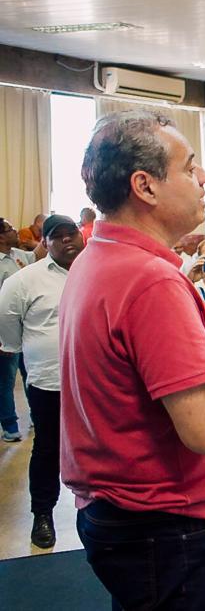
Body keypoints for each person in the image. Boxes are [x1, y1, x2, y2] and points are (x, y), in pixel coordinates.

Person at [62, 110, 205, 609]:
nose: (204, 178)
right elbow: (204, 430)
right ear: (146, 186)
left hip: (116, 513)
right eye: (189, 167)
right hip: (163, 524)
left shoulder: (99, 258)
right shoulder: (153, 280)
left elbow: (135, 373)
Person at [0, 214, 83, 548]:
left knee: (99, 449)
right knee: (48, 448)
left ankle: (97, 513)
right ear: (44, 242)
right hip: (49, 383)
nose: (67, 241)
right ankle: (43, 515)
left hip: (96, 382)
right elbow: (9, 330)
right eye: (58, 236)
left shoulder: (98, 270)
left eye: (72, 233)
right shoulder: (24, 281)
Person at [0, 216, 36, 442]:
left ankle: (36, 414)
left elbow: (40, 257)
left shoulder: (20, 255)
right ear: (1, 236)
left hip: (29, 328)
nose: (17, 232)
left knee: (31, 374)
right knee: (5, 379)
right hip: (6, 330)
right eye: (11, 229)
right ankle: (9, 425)